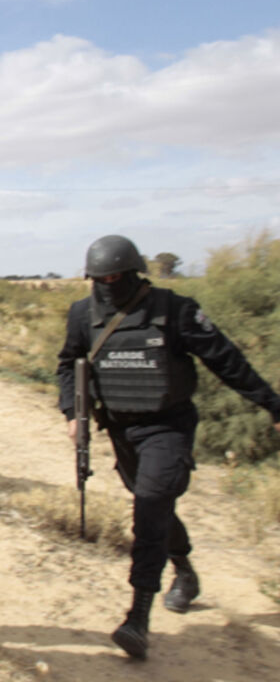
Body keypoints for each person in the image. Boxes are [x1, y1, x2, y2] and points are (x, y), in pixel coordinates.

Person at [56, 234, 280, 661]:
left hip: (167, 427)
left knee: (152, 501)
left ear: (134, 272)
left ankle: (137, 617)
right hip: (120, 430)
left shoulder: (176, 311)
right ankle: (184, 570)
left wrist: (272, 404)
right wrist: (72, 412)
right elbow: (68, 364)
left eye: (114, 277)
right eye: (97, 278)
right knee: (153, 504)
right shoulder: (83, 315)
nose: (106, 285)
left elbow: (226, 359)